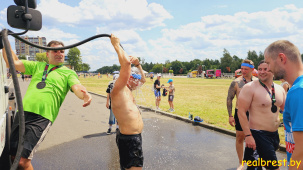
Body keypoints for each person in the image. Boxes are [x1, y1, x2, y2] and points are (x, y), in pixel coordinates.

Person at [1, 40, 92, 170]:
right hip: (22, 113)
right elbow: (12, 62)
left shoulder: (68, 73)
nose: (59, 53)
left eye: (62, 51)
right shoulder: (38, 66)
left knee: (22, 161)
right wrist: (5, 40)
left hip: (42, 117)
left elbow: (77, 87)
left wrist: (85, 94)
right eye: (55, 51)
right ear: (47, 54)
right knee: (14, 157)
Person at [238, 60, 286, 170]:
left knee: (255, 167)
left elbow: (286, 110)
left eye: (266, 69)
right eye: (260, 69)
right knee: (273, 168)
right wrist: (248, 136)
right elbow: (241, 112)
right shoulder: (250, 88)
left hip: (274, 135)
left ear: (273, 71)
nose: (262, 72)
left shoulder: (279, 89)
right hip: (257, 135)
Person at [264, 40, 303, 170]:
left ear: (281, 58)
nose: (268, 68)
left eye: (268, 63)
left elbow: (301, 150)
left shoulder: (298, 91)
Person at [110, 34, 146, 170]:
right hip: (130, 139)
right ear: (128, 77)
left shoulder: (128, 89)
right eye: (134, 77)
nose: (137, 80)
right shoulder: (118, 89)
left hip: (132, 137)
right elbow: (125, 64)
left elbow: (144, 80)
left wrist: (138, 64)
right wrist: (116, 45)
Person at [226, 59, 258, 170]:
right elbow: (230, 98)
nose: (243, 71)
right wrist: (230, 115)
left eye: (246, 69)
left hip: (255, 114)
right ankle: (241, 163)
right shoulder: (236, 82)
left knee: (255, 138)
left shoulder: (258, 81)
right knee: (240, 137)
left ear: (252, 69)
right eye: (242, 69)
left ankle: (252, 162)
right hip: (240, 113)